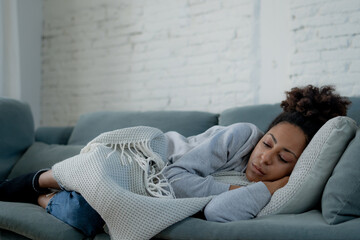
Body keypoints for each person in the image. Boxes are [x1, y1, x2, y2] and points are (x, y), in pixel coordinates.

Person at [0, 85, 351, 236]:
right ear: (261, 135)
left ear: (297, 166)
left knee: (84, 219)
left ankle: (45, 196)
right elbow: (177, 180)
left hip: (145, 193)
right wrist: (254, 185)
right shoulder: (242, 134)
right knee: (60, 179)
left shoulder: (263, 188)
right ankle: (47, 179)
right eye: (268, 144)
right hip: (139, 163)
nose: (264, 159)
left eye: (283, 158)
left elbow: (217, 212)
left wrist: (271, 188)